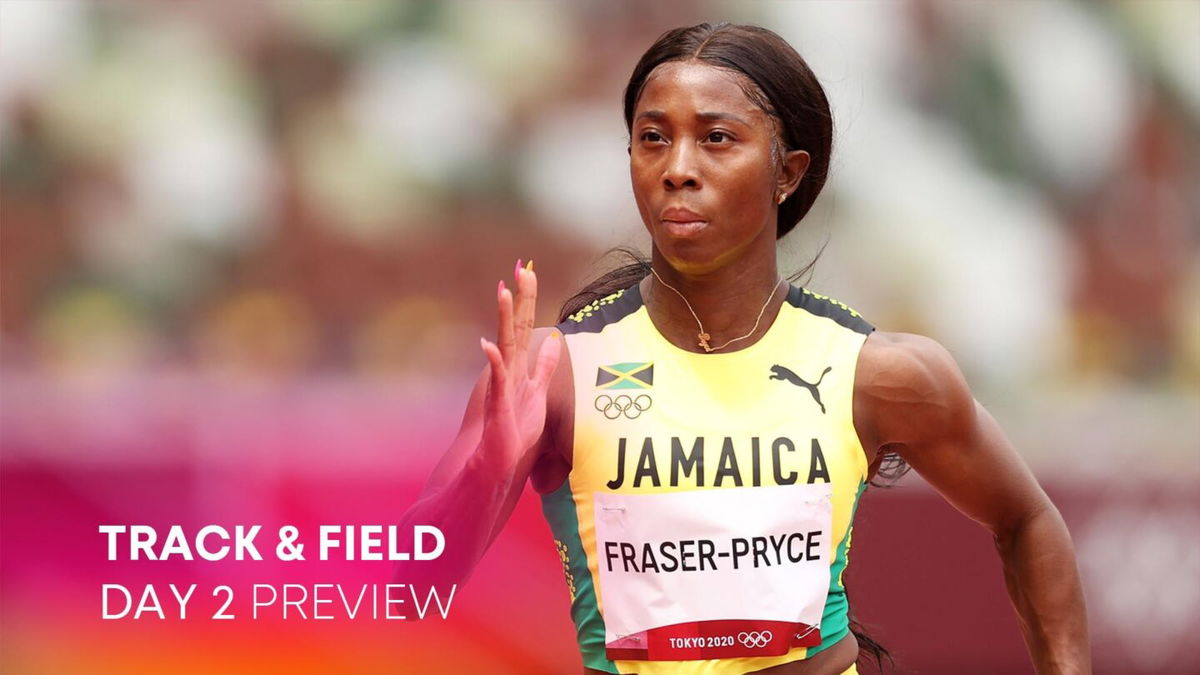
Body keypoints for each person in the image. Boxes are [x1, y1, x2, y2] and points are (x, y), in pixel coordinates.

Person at [396, 22, 1090, 675]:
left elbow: (1027, 518)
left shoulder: (878, 371)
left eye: (717, 138)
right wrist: (486, 471)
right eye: (652, 138)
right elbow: (410, 586)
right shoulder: (555, 374)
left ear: (787, 173)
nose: (678, 168)